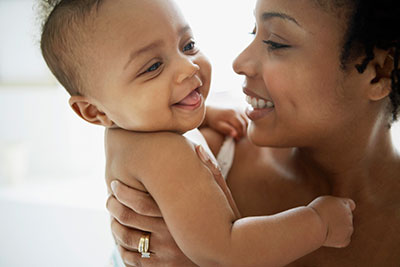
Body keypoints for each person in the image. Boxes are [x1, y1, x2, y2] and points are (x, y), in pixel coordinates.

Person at [39, 0, 357, 266]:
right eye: (152, 67)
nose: (188, 68)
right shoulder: (164, 155)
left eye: (188, 45)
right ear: (94, 112)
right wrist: (318, 223)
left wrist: (208, 114)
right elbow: (224, 251)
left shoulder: (129, 128)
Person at [106, 0, 400, 266]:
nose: (239, 63)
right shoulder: (199, 158)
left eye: (275, 42)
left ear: (379, 72)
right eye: (253, 32)